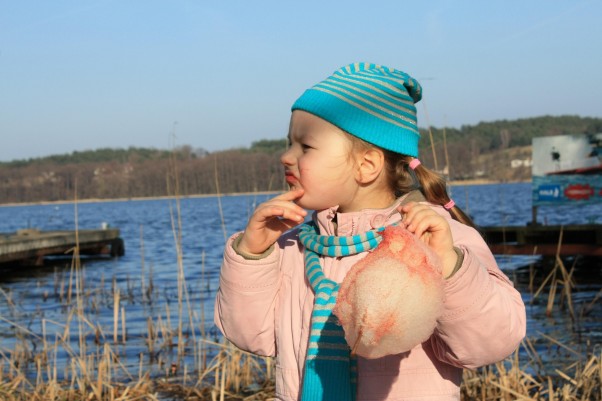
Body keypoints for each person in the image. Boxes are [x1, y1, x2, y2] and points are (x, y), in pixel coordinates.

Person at [214, 62, 526, 401]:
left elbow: (491, 343)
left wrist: (449, 267)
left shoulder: (433, 240)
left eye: (305, 146)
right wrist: (252, 254)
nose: (285, 157)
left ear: (367, 165)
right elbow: (251, 336)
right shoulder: (294, 248)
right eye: (289, 143)